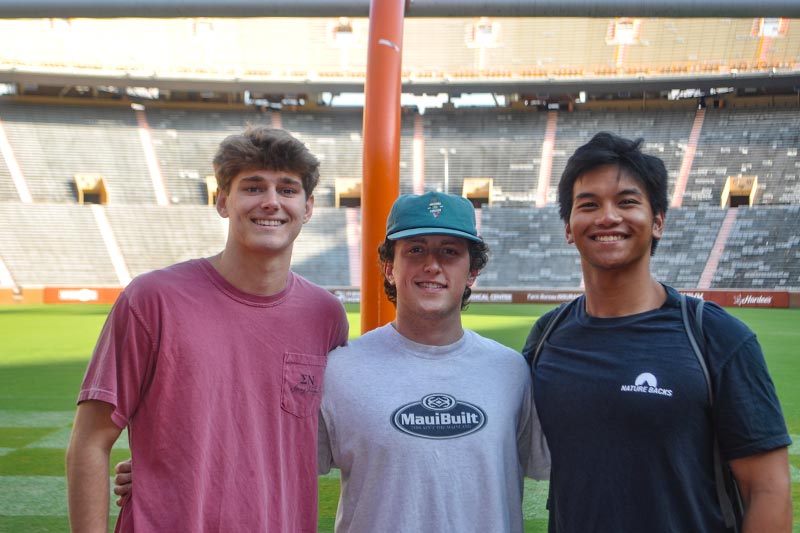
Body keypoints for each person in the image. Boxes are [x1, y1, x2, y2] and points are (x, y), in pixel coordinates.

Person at [65, 126, 349, 532]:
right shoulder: (152, 299)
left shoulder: (325, 315)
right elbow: (90, 442)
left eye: (287, 189)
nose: (271, 201)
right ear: (222, 201)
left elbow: (323, 442)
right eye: (253, 187)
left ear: (307, 208)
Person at [522, 132, 792, 532]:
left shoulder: (716, 337)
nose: (607, 217)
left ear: (658, 221)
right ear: (568, 227)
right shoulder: (547, 336)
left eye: (627, 202)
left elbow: (768, 490)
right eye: (589, 205)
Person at [317, 191, 550, 532]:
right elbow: (288, 481)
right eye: (415, 249)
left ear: (472, 272)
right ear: (389, 268)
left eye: (449, 252)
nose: (432, 265)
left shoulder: (512, 371)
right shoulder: (339, 371)